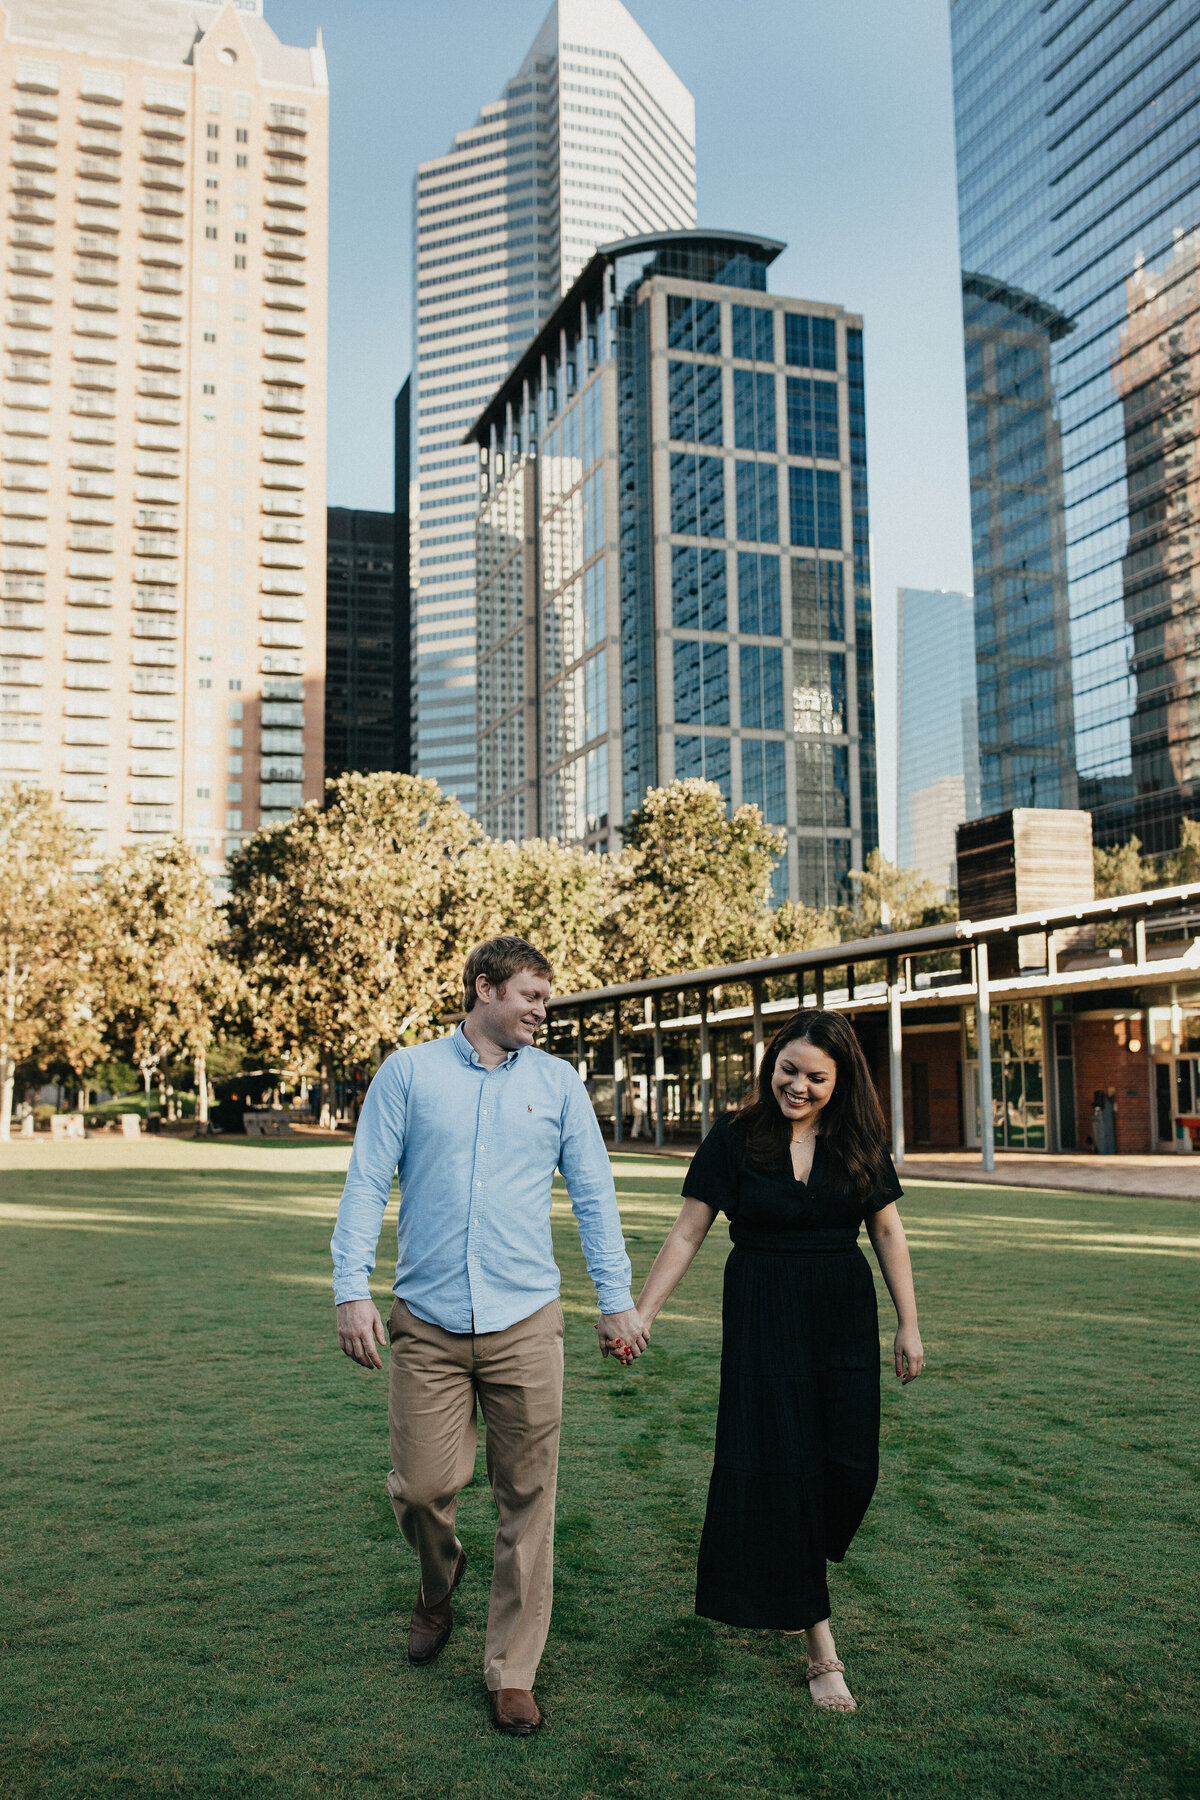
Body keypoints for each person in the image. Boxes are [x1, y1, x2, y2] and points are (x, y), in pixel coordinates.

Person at [330, 935, 648, 1736]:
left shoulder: (560, 1084)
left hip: (526, 1322)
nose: (545, 1009)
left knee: (528, 1500)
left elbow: (595, 1198)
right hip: (427, 1322)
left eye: (547, 997)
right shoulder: (408, 1074)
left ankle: (511, 1671)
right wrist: (349, 1292)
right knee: (423, 1488)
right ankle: (438, 1585)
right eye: (532, 995)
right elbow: (368, 1182)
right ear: (484, 989)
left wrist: (616, 1301)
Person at [627, 1009, 923, 1714]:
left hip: (843, 1313)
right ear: (771, 1065)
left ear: (840, 1078)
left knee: (851, 1467)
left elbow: (887, 1229)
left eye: (815, 1076)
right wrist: (642, 1314)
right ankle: (822, 1648)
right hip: (763, 1312)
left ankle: (793, 1572)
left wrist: (909, 1325)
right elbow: (688, 1232)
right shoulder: (736, 1137)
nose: (798, 1085)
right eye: (787, 1069)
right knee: (784, 1465)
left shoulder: (858, 1140)